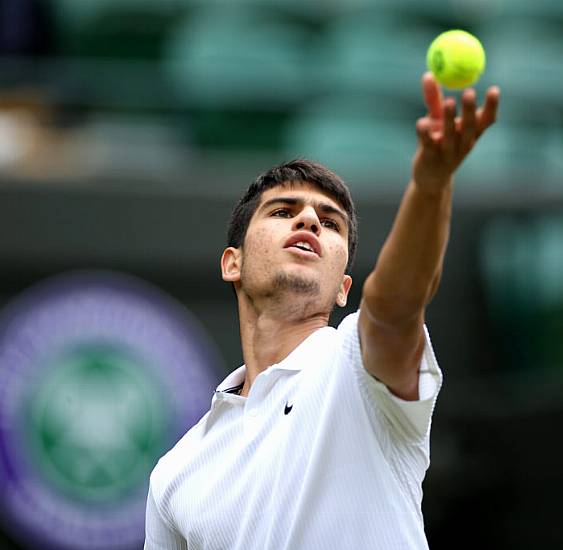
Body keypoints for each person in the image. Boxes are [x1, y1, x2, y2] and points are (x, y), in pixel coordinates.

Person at [144, 73, 499, 550]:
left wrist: (430, 186)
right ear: (234, 263)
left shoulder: (356, 366)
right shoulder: (177, 471)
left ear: (343, 289)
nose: (308, 219)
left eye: (329, 222)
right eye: (282, 211)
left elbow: (397, 304)